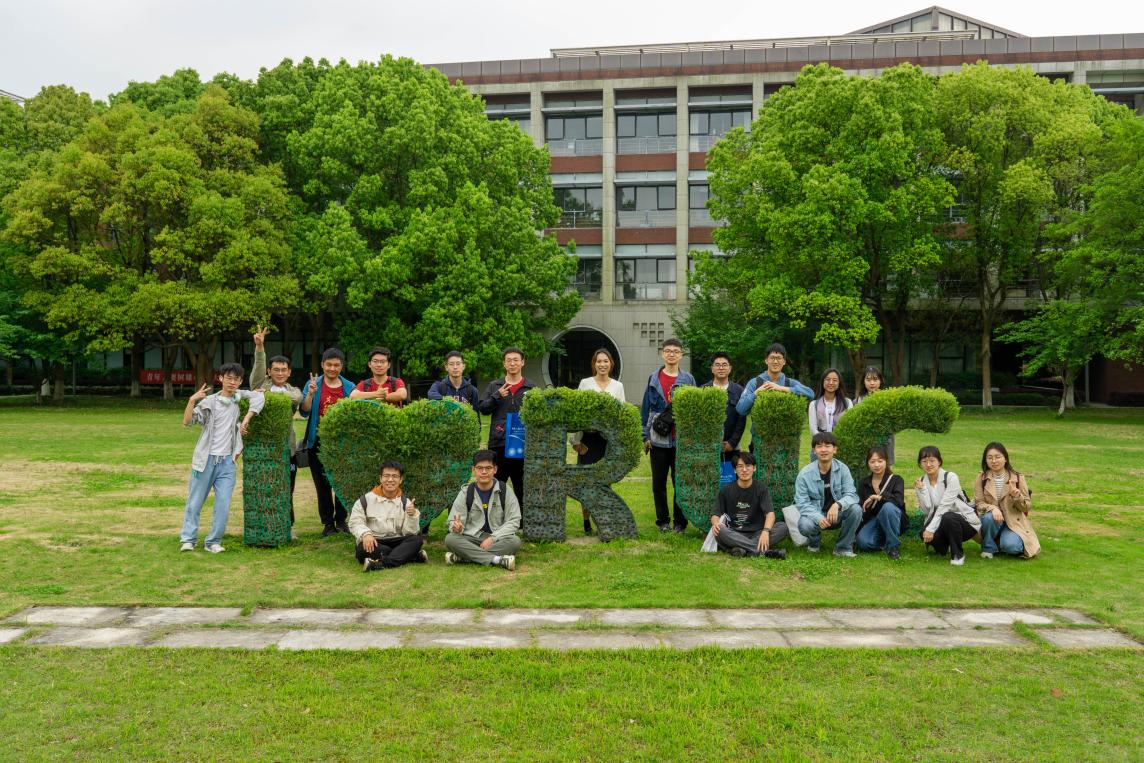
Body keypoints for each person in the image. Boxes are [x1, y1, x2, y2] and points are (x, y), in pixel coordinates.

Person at [178, 363, 264, 553]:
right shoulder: (210, 402)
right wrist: (192, 401)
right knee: (195, 502)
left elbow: (259, 397)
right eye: (229, 378)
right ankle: (188, 539)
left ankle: (213, 542)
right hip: (205, 460)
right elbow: (187, 421)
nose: (232, 382)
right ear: (220, 378)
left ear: (240, 381)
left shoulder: (239, 399)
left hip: (227, 462)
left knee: (223, 504)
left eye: (236, 379)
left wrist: (247, 418)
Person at [640, 338, 696, 533]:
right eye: (668, 351)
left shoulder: (688, 379)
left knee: (680, 482)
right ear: (662, 353)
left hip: (681, 439)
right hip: (658, 439)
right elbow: (646, 408)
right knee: (659, 483)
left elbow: (693, 410)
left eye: (676, 351)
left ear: (681, 355)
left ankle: (680, 523)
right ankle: (663, 521)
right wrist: (645, 436)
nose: (671, 354)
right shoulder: (653, 378)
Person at [249, 325, 303, 528]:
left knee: (287, 487)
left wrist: (269, 395)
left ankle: (287, 525)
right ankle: (266, 524)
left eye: (283, 370)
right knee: (265, 487)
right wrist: (260, 347)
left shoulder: (294, 391)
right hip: (264, 448)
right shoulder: (259, 386)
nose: (280, 373)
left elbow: (297, 399)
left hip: (287, 449)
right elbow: (257, 369)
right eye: (276, 370)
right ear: (269, 372)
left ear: (289, 372)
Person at [300, 347, 356, 537]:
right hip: (317, 442)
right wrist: (310, 394)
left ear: (342, 366)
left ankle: (341, 520)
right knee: (322, 485)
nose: (332, 368)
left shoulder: (349, 387)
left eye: (336, 365)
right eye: (329, 364)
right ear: (323, 364)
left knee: (342, 482)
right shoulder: (313, 383)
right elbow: (304, 411)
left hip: (342, 443)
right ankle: (328, 523)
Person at [570, 348, 626, 535]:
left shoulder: (618, 386)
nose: (602, 364)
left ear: (611, 364)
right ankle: (586, 522)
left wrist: (619, 443)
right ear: (594, 364)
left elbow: (621, 416)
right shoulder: (585, 383)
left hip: (607, 442)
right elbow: (577, 413)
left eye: (605, 361)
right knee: (586, 483)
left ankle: (604, 521)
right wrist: (575, 441)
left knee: (604, 483)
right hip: (588, 441)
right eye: (599, 361)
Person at [477, 347, 536, 509]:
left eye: (516, 360)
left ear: (522, 362)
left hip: (522, 444)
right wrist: (496, 396)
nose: (512, 363)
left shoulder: (531, 387)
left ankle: (522, 519)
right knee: (497, 485)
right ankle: (496, 517)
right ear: (504, 364)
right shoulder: (494, 386)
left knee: (522, 486)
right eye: (509, 360)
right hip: (499, 443)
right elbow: (483, 408)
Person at [444, 449, 522, 570]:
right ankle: (496, 560)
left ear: (495, 469)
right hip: (472, 537)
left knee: (515, 541)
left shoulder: (505, 490)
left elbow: (514, 521)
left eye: (488, 468)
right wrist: (456, 527)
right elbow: (454, 522)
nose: (484, 472)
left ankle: (464, 557)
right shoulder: (466, 492)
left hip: (498, 538)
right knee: (450, 539)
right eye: (480, 468)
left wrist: (492, 538)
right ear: (473, 470)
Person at [348, 461, 426, 571]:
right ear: (380, 478)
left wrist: (412, 515)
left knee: (417, 540)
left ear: (401, 480)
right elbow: (355, 522)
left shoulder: (406, 502)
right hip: (375, 541)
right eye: (386, 476)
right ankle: (409, 556)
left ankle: (380, 564)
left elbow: (409, 533)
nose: (390, 480)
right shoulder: (365, 500)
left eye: (395, 476)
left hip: (397, 541)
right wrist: (365, 534)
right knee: (362, 549)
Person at [793, 432, 861, 557]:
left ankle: (842, 548)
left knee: (855, 509)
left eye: (828, 446)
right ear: (814, 450)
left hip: (837, 514)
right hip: (815, 514)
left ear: (834, 449)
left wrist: (837, 505)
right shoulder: (804, 474)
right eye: (819, 446)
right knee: (805, 525)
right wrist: (818, 517)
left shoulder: (843, 469)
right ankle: (814, 543)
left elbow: (851, 494)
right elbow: (802, 503)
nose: (823, 450)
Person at [710, 452, 788, 558]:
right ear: (734, 470)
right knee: (720, 531)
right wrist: (715, 523)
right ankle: (763, 552)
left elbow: (770, 514)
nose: (744, 470)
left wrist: (765, 531)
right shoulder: (726, 490)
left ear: (754, 468)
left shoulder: (761, 489)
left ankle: (741, 549)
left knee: (783, 527)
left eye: (748, 466)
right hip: (734, 533)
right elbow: (716, 514)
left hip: (757, 533)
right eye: (740, 466)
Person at [915, 445, 981, 565]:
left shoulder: (951, 477)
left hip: (963, 521)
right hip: (940, 521)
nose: (928, 464)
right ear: (920, 463)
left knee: (948, 517)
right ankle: (945, 546)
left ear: (939, 461)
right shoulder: (921, 481)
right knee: (923, 534)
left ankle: (957, 555)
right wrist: (922, 491)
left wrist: (930, 529)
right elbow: (927, 510)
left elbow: (944, 507)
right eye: (924, 461)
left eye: (932, 460)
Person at [974, 442, 1040, 559]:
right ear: (985, 460)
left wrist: (1017, 497)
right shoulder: (982, 477)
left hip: (1013, 522)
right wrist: (993, 508)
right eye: (990, 458)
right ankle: (988, 547)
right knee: (989, 517)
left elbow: (1027, 507)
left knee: (1012, 547)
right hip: (991, 521)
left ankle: (1001, 542)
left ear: (1005, 459)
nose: (994, 461)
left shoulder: (1018, 478)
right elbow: (979, 503)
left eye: (998, 457)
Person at [734, 343, 815, 420]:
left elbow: (810, 394)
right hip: (760, 430)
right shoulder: (754, 383)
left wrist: (781, 388)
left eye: (779, 358)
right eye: (772, 358)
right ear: (766, 360)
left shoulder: (789, 383)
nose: (775, 362)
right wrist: (756, 393)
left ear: (784, 361)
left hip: (785, 429)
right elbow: (740, 409)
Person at [855, 446, 908, 560]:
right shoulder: (864, 482)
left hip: (894, 518)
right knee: (863, 543)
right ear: (868, 463)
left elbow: (898, 501)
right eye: (872, 461)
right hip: (875, 520)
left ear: (886, 461)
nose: (876, 465)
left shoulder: (896, 480)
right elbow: (861, 508)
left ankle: (893, 546)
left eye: (880, 461)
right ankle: (884, 542)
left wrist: (878, 497)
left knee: (888, 507)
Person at [702, 352, 746, 457]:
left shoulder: (739, 391)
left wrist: (732, 442)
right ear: (712, 369)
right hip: (708, 447)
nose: (721, 368)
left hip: (732, 447)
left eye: (724, 365)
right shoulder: (702, 390)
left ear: (730, 368)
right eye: (717, 365)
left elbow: (741, 419)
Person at [853, 365, 894, 464]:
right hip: (864, 441)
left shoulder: (888, 399)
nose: (872, 383)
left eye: (875, 379)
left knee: (885, 467)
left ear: (880, 381)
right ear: (863, 381)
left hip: (884, 441)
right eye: (868, 380)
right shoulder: (857, 401)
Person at [807, 368, 852, 457]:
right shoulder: (814, 404)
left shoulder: (847, 403)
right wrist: (825, 443)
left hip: (840, 446)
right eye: (827, 379)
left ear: (839, 383)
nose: (831, 383)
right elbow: (813, 429)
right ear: (822, 382)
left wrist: (835, 442)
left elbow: (849, 426)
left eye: (835, 380)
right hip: (820, 447)